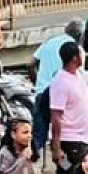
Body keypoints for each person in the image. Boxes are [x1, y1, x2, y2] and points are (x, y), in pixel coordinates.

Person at [29, 19, 82, 156]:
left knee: (38, 134)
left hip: (42, 91)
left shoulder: (49, 42)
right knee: (63, 131)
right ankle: (61, 160)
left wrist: (38, 83)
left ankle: (31, 164)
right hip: (62, 94)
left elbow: (31, 63)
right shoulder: (76, 50)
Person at [47, 41, 88, 174]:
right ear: (75, 58)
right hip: (69, 140)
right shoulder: (61, 82)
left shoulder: (79, 76)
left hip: (82, 138)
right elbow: (56, 116)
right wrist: (56, 148)